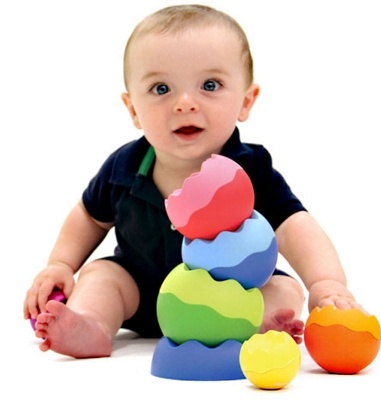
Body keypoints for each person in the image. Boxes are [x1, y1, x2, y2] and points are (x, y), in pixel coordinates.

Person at [23, 4, 362, 359]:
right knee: (101, 276)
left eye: (210, 85)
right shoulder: (124, 166)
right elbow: (89, 216)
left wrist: (325, 284)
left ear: (246, 102)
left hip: (229, 298)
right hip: (140, 294)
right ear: (133, 109)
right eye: (161, 88)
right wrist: (61, 264)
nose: (184, 103)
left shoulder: (249, 169)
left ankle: (258, 324)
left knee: (283, 287)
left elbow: (294, 226)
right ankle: (90, 324)